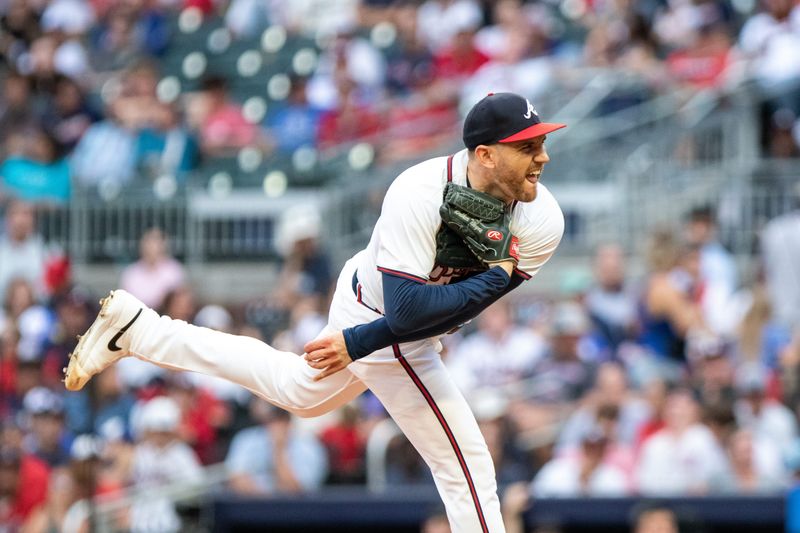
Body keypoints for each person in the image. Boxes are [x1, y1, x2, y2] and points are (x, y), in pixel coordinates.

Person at [63, 92, 566, 532]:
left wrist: (359, 343)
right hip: (378, 310)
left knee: (299, 394)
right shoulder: (418, 192)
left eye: (540, 143)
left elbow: (472, 302)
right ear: (484, 154)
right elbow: (410, 312)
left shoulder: (542, 217)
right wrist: (361, 342)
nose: (541, 157)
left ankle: (143, 331)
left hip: (391, 322)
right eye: (526, 146)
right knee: (466, 462)